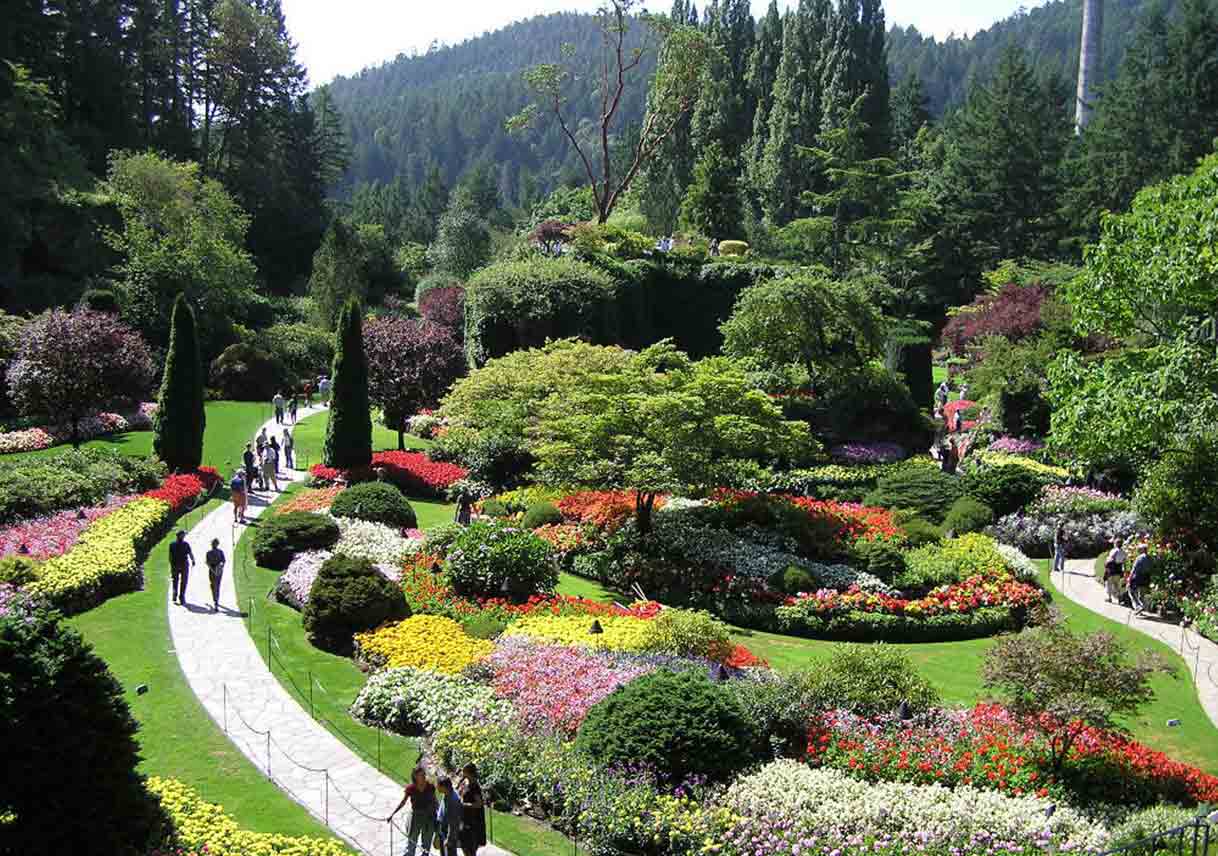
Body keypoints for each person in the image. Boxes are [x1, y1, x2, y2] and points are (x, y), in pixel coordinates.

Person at [387, 767, 438, 856]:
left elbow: (435, 800)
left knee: (427, 841)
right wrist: (393, 814)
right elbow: (403, 802)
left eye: (423, 774)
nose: (423, 776)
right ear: (415, 776)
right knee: (412, 840)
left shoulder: (430, 786)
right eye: (421, 775)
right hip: (415, 816)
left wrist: (439, 814)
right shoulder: (411, 788)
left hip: (429, 816)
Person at [457, 763, 486, 856]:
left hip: (473, 822)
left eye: (464, 771)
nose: (462, 772)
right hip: (466, 819)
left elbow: (479, 804)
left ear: (469, 772)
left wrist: (464, 805)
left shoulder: (474, 786)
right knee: (465, 846)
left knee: (469, 849)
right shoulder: (467, 783)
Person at [435, 777, 463, 856]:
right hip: (443, 830)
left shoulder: (453, 800)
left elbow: (453, 823)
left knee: (450, 853)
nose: (436, 787)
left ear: (443, 787)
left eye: (438, 785)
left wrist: (449, 839)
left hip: (449, 834)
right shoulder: (447, 793)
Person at [168, 530, 194, 606]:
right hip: (184, 565)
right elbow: (190, 553)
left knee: (175, 580)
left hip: (175, 565)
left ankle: (175, 594)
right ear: (181, 536)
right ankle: (181, 597)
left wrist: (171, 565)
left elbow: (170, 556)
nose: (184, 536)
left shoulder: (172, 544)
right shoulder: (186, 544)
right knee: (184, 581)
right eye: (183, 535)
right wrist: (193, 560)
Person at [1128, 543, 1152, 614]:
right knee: (1142, 594)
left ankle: (1139, 606)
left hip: (1138, 577)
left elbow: (1134, 569)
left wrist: (1129, 578)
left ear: (1142, 550)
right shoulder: (1150, 558)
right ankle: (1140, 608)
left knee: (1131, 591)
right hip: (1147, 577)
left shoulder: (1139, 557)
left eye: (1139, 549)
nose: (1138, 550)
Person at [205, 538, 226, 612]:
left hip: (216, 570)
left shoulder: (220, 552)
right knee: (214, 585)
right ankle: (215, 600)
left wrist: (219, 568)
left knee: (215, 585)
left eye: (215, 544)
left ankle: (216, 601)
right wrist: (215, 569)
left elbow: (223, 561)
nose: (214, 545)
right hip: (214, 570)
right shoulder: (209, 553)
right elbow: (207, 562)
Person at [1103, 538, 1127, 604]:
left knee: (1108, 584)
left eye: (1114, 543)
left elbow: (1109, 560)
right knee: (1116, 584)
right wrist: (1124, 572)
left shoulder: (1114, 551)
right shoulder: (1124, 552)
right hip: (1118, 570)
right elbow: (1124, 563)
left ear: (1116, 544)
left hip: (1111, 569)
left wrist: (1106, 567)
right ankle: (1120, 598)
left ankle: (1109, 598)